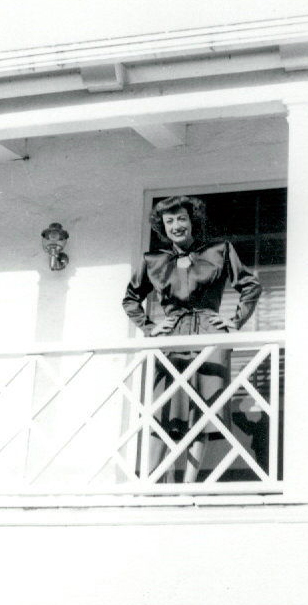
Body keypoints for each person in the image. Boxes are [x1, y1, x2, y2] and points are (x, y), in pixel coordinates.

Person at [122, 195, 262, 483]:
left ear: (192, 221)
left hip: (209, 337)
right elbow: (131, 299)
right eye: (169, 221)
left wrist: (233, 321)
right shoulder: (154, 260)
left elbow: (250, 285)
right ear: (162, 226)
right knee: (164, 411)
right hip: (172, 338)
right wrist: (150, 327)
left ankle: (188, 486)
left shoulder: (219, 251)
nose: (176, 226)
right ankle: (152, 481)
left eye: (181, 219)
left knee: (203, 413)